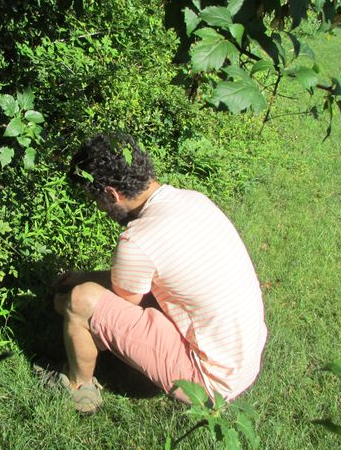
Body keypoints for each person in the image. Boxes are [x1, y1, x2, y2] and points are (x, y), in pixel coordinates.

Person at [47, 133, 267, 413]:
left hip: (210, 384)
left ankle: (80, 387)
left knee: (80, 302)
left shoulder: (137, 240)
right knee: (87, 295)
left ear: (111, 194)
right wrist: (82, 275)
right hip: (242, 361)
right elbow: (136, 283)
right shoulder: (194, 200)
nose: (100, 209)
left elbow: (120, 300)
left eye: (96, 200)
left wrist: (75, 296)